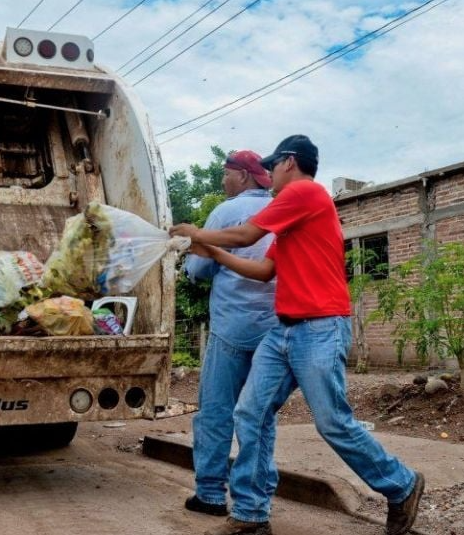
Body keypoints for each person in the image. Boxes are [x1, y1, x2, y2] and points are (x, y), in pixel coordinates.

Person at [171, 135, 424, 535]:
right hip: (283, 330)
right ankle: (251, 516)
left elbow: (246, 236)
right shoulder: (290, 220)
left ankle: (401, 484)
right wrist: (214, 254)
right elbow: (263, 271)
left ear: (290, 162)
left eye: (272, 166)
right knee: (250, 413)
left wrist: (197, 235)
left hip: (320, 328)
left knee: (332, 423)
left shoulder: (305, 192)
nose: (268, 174)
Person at [183, 150, 279, 518]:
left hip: (230, 328)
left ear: (242, 176)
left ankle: (209, 494)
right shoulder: (278, 211)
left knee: (217, 411)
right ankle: (254, 503)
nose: (223, 181)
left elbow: (199, 267)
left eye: (226, 174)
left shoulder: (225, 213)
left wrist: (194, 263)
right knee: (258, 416)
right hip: (272, 331)